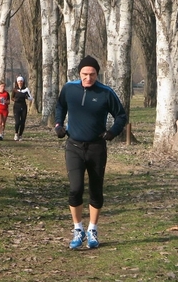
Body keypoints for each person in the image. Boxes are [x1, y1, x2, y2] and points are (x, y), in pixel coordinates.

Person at [54, 55, 127, 249]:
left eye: (92, 74)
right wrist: (58, 124)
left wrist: (113, 132)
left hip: (96, 148)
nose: (88, 78)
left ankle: (92, 230)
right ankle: (78, 228)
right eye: (85, 74)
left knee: (96, 189)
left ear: (97, 74)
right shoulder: (69, 88)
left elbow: (121, 115)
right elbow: (60, 106)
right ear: (79, 73)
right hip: (74, 146)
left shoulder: (105, 92)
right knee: (75, 188)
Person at [11, 76, 33, 141]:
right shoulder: (15, 89)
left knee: (22, 122)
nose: (20, 82)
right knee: (17, 122)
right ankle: (16, 133)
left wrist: (26, 97)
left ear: (23, 82)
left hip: (23, 107)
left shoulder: (26, 89)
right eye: (18, 81)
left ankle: (20, 135)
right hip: (16, 107)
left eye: (21, 81)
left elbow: (31, 98)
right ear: (17, 82)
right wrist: (15, 99)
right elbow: (12, 97)